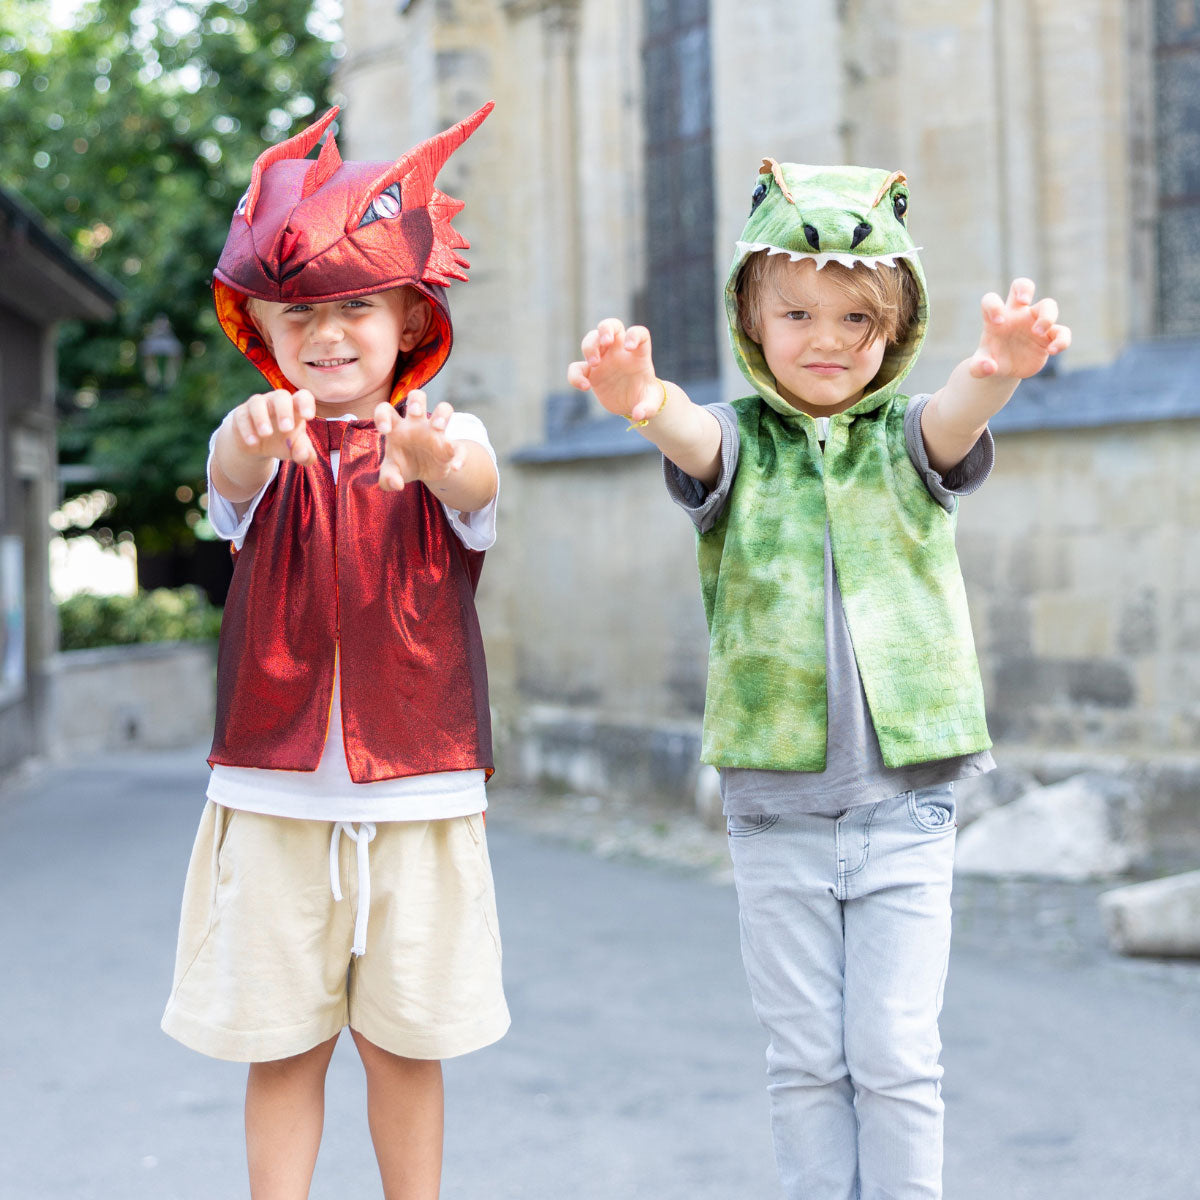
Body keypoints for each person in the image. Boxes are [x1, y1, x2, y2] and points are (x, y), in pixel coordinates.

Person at [567, 161, 1070, 1200]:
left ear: (897, 328)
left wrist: (1002, 370)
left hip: (907, 814)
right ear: (751, 322)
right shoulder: (741, 446)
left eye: (857, 316)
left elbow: (957, 417)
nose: (829, 338)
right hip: (776, 817)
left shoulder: (909, 440)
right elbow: (691, 435)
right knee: (806, 1064)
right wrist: (641, 397)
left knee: (895, 1060)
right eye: (797, 311)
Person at [161, 102, 509, 1200]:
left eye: (357, 303)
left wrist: (435, 458)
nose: (327, 332)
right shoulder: (263, 441)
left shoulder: (451, 435)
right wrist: (244, 440)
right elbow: (228, 479)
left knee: (409, 1045)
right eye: (296, 311)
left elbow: (477, 494)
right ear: (258, 329)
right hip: (274, 798)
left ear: (411, 316)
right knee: (284, 1045)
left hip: (421, 787)